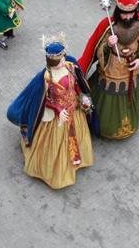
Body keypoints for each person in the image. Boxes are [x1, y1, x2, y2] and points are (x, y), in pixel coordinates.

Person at [7, 36, 95, 188]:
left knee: (77, 136)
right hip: (58, 117)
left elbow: (76, 85)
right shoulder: (47, 77)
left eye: (62, 59)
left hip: (74, 109)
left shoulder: (70, 66)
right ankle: (56, 172)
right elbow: (44, 99)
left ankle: (77, 159)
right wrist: (58, 109)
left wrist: (82, 97)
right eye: (58, 62)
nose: (62, 63)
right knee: (58, 143)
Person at [78, 0, 139, 139]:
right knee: (108, 96)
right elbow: (97, 50)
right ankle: (105, 127)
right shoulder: (108, 26)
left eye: (131, 13)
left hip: (131, 68)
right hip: (112, 68)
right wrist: (108, 44)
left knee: (128, 92)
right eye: (125, 13)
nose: (128, 17)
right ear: (118, 11)